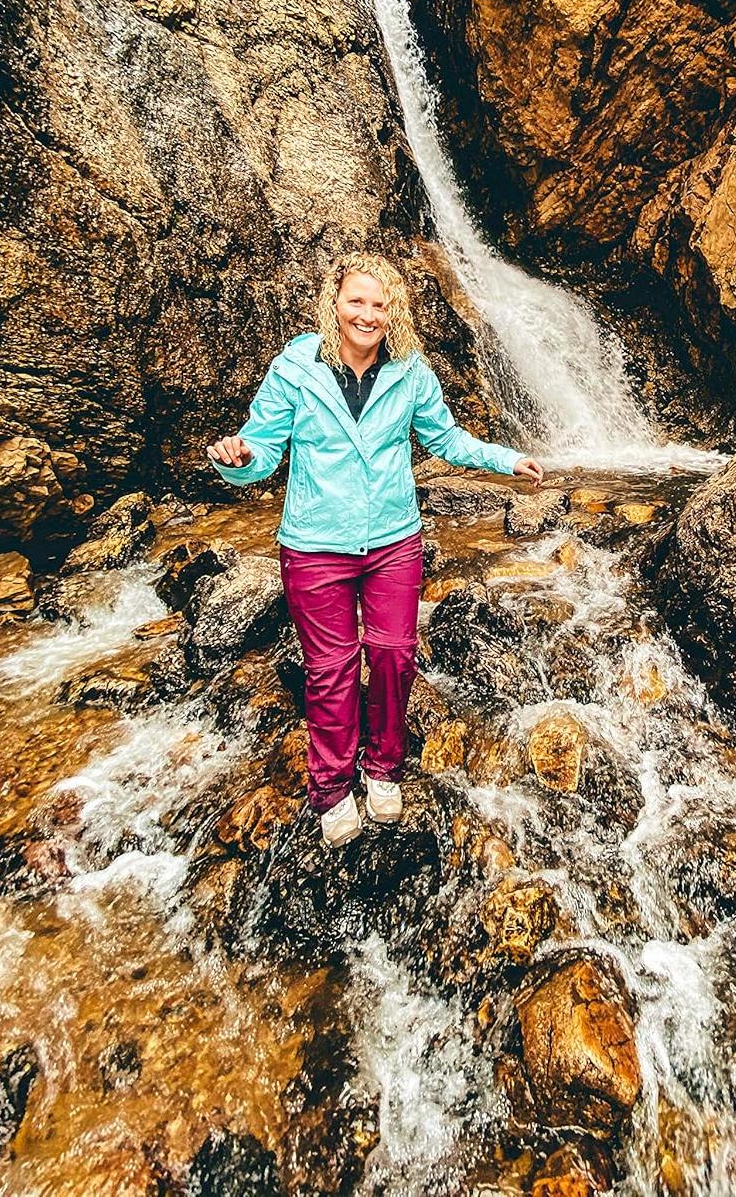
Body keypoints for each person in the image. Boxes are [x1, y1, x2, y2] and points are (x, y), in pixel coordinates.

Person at [206, 252, 543, 846]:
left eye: (379, 304)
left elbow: (445, 438)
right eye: (356, 301)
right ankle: (331, 785)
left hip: (393, 541)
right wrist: (236, 459)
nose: (367, 314)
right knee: (331, 670)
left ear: (394, 312)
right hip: (314, 544)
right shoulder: (295, 368)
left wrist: (505, 460)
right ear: (334, 304)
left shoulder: (410, 372)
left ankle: (383, 766)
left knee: (393, 652)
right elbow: (260, 448)